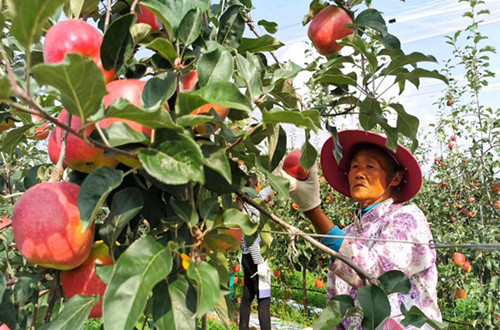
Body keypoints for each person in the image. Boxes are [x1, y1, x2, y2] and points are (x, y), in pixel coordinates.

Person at [281, 130, 442, 329]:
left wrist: (313, 211)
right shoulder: (347, 233)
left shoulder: (407, 218)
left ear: (395, 179)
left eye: (370, 166)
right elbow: (337, 305)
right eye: (354, 166)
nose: (359, 173)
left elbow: (379, 277)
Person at [238, 173, 271, 330]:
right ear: (255, 185)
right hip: (255, 258)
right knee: (264, 300)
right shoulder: (251, 209)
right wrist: (259, 262)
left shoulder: (245, 204)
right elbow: (250, 238)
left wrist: (280, 182)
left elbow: (263, 193)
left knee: (247, 297)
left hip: (245, 257)